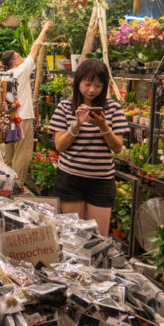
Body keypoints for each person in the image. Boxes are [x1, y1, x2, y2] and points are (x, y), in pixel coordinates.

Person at [48, 59, 129, 236]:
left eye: (98, 86)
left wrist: (103, 126)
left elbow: (117, 148)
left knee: (98, 237)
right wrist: (76, 125)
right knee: (73, 236)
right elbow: (60, 146)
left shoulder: (113, 108)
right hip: (70, 178)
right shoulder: (64, 107)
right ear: (78, 82)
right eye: (87, 84)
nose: (92, 90)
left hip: (101, 181)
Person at [1, 20, 52, 185]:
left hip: (8, 119)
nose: (21, 58)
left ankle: (4, 185)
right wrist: (44, 28)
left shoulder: (4, 75)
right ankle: (16, 186)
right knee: (22, 154)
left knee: (9, 155)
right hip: (22, 118)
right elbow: (35, 48)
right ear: (14, 62)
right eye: (18, 56)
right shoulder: (21, 70)